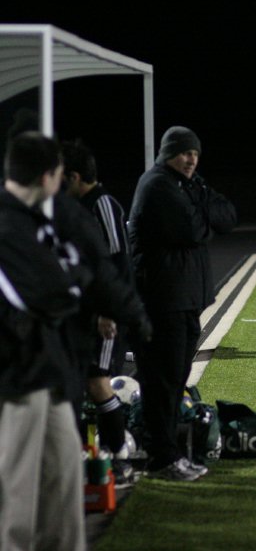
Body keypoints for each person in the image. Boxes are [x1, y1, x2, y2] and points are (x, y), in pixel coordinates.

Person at [128, 125, 237, 480]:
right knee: (162, 380)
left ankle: (168, 453)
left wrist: (201, 211)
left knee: (175, 380)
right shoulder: (157, 184)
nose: (191, 159)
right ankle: (161, 458)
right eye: (184, 152)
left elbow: (227, 217)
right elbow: (192, 229)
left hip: (186, 299)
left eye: (195, 153)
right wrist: (203, 213)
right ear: (167, 152)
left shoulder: (189, 185)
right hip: (163, 300)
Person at [0, 131, 87, 551]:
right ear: (48, 176)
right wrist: (73, 280)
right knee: (16, 494)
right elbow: (56, 293)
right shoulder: (9, 221)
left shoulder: (30, 219)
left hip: (45, 369)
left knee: (65, 476)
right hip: (16, 376)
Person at [61, 139, 139, 483]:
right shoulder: (73, 207)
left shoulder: (103, 203)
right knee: (78, 385)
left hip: (105, 316)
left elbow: (118, 262)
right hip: (82, 315)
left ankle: (120, 456)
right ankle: (85, 459)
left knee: (97, 383)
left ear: (75, 176)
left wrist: (108, 312)